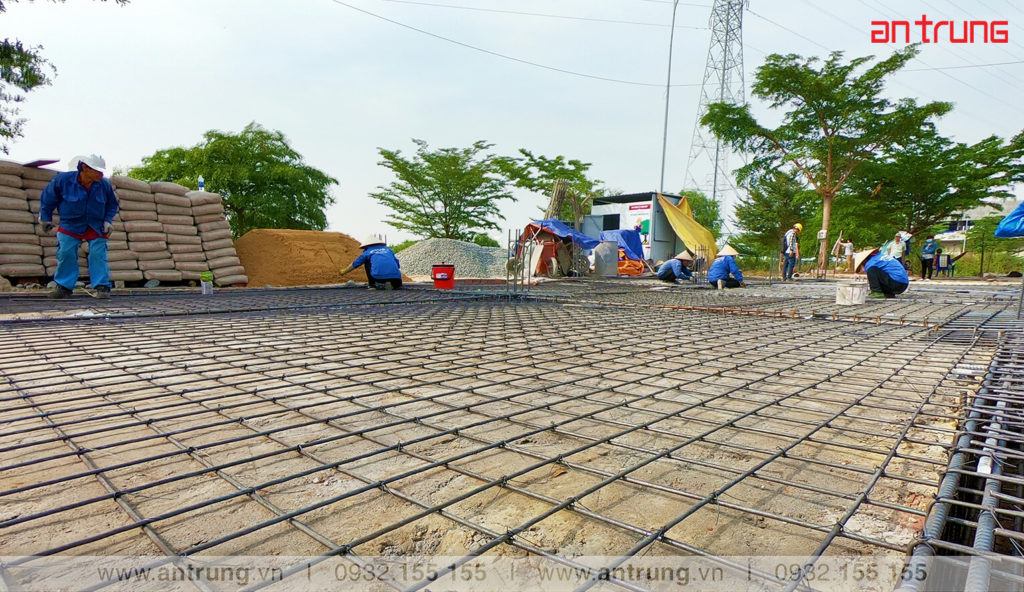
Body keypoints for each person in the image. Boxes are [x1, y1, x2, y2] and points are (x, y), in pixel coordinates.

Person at [39, 154, 119, 299]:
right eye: (97, 170)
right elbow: (48, 199)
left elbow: (112, 204)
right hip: (70, 224)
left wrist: (108, 220)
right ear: (84, 168)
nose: (101, 174)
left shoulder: (104, 184)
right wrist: (45, 219)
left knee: (98, 254)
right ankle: (64, 287)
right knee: (66, 252)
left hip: (96, 224)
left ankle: (102, 287)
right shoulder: (63, 180)